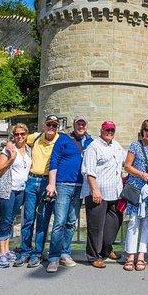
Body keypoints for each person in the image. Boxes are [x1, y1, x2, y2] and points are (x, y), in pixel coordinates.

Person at [46, 115, 94, 273]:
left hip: (80, 186)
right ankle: (53, 257)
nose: (81, 126)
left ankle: (65, 254)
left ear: (86, 126)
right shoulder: (63, 139)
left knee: (71, 222)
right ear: (74, 125)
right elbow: (54, 160)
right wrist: (52, 184)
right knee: (59, 222)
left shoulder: (90, 141)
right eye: (78, 124)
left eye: (83, 124)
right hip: (63, 185)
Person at [13, 115, 60, 267]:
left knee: (42, 221)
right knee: (28, 219)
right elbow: (19, 139)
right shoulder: (36, 137)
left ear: (57, 127)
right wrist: (9, 144)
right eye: (49, 125)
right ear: (44, 126)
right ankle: (25, 251)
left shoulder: (60, 140)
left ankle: (37, 253)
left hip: (48, 183)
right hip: (32, 181)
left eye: (54, 125)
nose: (51, 128)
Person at [80, 121, 126, 268]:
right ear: (101, 130)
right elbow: (89, 170)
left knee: (115, 222)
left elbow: (127, 161)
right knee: (96, 227)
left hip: (115, 193)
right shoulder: (93, 147)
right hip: (98, 193)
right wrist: (94, 190)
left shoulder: (116, 145)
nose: (110, 132)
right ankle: (93, 256)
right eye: (107, 129)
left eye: (112, 129)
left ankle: (107, 248)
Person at [123, 118, 148, 271]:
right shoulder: (135, 145)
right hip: (135, 189)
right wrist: (142, 174)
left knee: (146, 224)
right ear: (142, 131)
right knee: (133, 222)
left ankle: (141, 255)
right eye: (146, 130)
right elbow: (127, 166)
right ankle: (130, 255)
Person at [0, 123, 32, 268]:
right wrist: (11, 159)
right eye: (17, 134)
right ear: (13, 135)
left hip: (20, 190)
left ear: (26, 135)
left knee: (10, 220)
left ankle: (7, 249)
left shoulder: (29, 150)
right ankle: (1, 253)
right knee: (5, 220)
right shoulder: (8, 150)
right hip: (7, 189)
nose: (20, 136)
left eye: (22, 134)